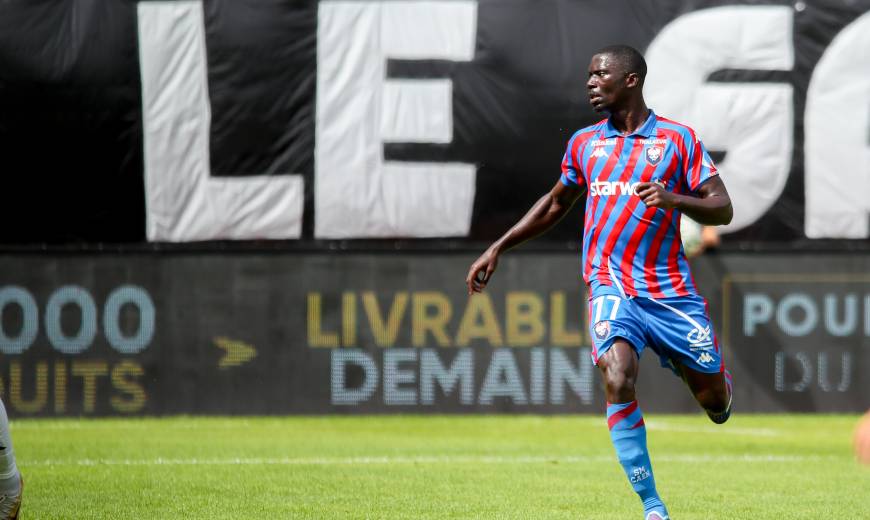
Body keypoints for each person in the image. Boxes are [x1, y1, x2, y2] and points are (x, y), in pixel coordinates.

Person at [465, 45, 732, 520]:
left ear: (631, 80)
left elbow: (722, 208)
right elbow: (555, 203)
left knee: (715, 402)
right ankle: (652, 505)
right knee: (617, 376)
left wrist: (673, 199)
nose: (590, 83)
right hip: (610, 285)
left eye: (600, 74)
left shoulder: (677, 140)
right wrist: (498, 246)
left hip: (670, 293)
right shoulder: (585, 143)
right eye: (588, 75)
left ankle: (707, 379)